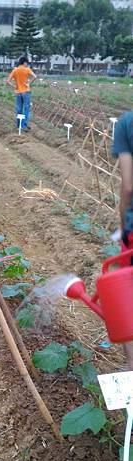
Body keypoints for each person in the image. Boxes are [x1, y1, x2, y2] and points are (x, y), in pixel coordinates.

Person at [112, 110, 133, 369]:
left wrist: (123, 224)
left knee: (129, 293)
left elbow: (129, 186)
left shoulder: (127, 123)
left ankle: (132, 365)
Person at [6, 56, 36, 131]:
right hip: (26, 91)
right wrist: (29, 83)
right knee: (26, 108)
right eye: (27, 63)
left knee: (19, 109)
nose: (27, 65)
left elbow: (8, 81)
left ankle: (18, 125)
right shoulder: (27, 69)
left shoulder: (15, 70)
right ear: (24, 62)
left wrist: (15, 87)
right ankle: (24, 125)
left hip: (18, 92)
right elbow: (35, 76)